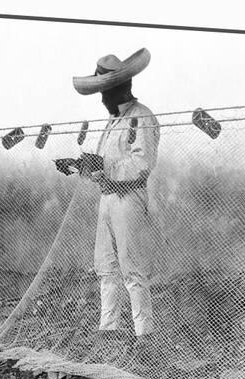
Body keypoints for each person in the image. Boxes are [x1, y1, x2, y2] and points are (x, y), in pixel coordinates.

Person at [60, 48, 160, 358]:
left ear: (117, 89)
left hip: (129, 199)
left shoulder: (142, 116)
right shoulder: (112, 122)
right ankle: (109, 328)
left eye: (104, 93)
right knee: (105, 267)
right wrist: (80, 165)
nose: (102, 100)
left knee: (132, 267)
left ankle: (144, 334)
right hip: (106, 199)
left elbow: (143, 163)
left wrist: (102, 166)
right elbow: (105, 164)